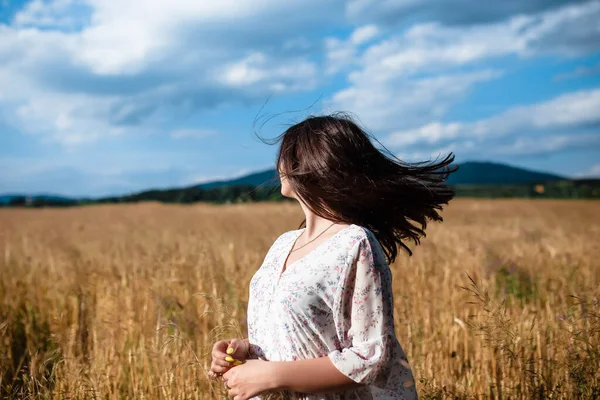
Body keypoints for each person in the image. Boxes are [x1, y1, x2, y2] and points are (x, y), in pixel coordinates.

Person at [209, 113, 457, 399]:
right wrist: (246, 351)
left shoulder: (354, 243)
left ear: (311, 164)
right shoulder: (283, 244)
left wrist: (271, 375)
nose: (278, 166)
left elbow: (372, 359)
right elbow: (299, 338)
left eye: (285, 156)